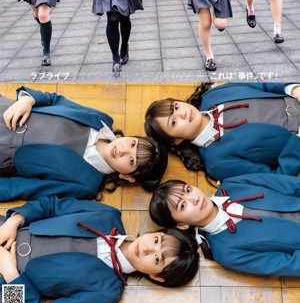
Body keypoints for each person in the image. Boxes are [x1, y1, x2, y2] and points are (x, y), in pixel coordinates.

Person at [0, 195, 199, 303]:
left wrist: (10, 276)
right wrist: (14, 220)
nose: (147, 247)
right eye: (157, 240)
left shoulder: (108, 291)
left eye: (157, 258)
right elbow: (51, 205)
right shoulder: (108, 215)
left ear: (156, 276)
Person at [0, 86, 168, 201]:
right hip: (6, 109)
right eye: (132, 144)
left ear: (128, 177)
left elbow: (27, 187)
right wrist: (27, 100)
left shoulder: (87, 184)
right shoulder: (100, 119)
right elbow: (54, 100)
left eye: (132, 161)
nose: (123, 151)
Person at [149, 173, 300, 277]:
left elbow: (288, 184)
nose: (194, 198)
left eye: (188, 190)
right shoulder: (225, 252)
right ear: (181, 225)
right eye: (182, 205)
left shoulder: (232, 183)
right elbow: (286, 264)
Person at [144, 82, 300, 181]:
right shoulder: (217, 162)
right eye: (174, 121)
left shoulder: (213, 94)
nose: (182, 113)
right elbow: (277, 178)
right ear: (175, 141)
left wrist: (293, 89)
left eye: (175, 107)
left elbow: (265, 84)